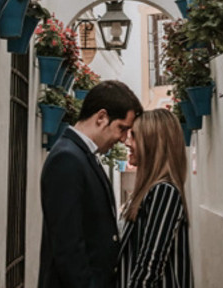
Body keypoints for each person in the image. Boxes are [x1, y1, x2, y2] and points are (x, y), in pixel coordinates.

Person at [38, 80, 144, 288]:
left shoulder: (81, 155)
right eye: (121, 128)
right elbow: (69, 249)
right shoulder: (67, 158)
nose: (123, 139)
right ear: (102, 117)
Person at [119, 108, 193, 287]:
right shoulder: (149, 191)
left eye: (135, 136)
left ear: (151, 143)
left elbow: (149, 268)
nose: (128, 143)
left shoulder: (164, 192)